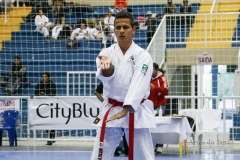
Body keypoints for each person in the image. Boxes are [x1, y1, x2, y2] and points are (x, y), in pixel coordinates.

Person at [91, 11, 155, 160]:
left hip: (135, 109)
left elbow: (140, 82)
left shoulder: (143, 55)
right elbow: (107, 75)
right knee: (99, 155)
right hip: (112, 109)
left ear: (133, 29)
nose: (121, 31)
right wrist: (107, 67)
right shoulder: (105, 53)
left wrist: (127, 107)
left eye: (125, 27)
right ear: (114, 30)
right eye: (118, 27)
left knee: (143, 155)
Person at [95, 82, 129, 157]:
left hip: (129, 109)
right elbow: (97, 92)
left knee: (129, 136)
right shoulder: (108, 77)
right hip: (112, 109)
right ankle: (115, 151)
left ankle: (127, 151)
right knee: (108, 139)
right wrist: (104, 102)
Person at [148, 63, 169, 154]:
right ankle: (149, 145)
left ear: (156, 70)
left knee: (159, 125)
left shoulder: (162, 78)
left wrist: (155, 88)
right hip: (149, 105)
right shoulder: (147, 78)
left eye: (152, 70)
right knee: (148, 125)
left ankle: (159, 146)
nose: (150, 71)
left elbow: (166, 91)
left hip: (160, 105)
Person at [35, 72, 56, 145]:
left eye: (45, 76)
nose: (43, 78)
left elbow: (53, 94)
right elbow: (36, 94)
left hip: (51, 105)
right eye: (42, 76)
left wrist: (45, 95)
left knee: (51, 122)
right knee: (45, 122)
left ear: (48, 77)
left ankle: (50, 139)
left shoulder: (52, 84)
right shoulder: (39, 85)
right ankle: (51, 137)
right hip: (42, 105)